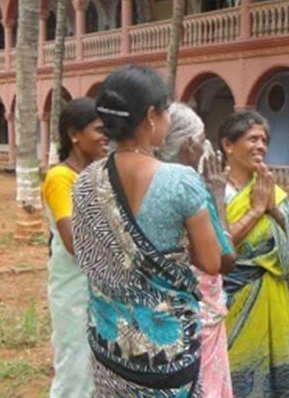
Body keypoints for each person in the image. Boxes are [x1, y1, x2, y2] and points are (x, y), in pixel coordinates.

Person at [71, 65, 222, 397]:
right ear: (151, 116)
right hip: (167, 353)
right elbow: (212, 261)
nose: (169, 118)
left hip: (111, 345)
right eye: (166, 110)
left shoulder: (84, 183)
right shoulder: (181, 182)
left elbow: (86, 256)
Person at [218, 111, 289, 398]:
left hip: (274, 300)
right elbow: (216, 247)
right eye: (252, 139)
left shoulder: (272, 191)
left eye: (264, 140)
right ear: (228, 145)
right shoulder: (215, 191)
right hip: (229, 303)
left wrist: (274, 210)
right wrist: (255, 210)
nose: (261, 146)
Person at [158, 102, 235, 398]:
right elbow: (225, 260)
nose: (206, 146)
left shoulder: (148, 182)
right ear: (191, 144)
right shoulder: (193, 190)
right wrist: (218, 195)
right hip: (198, 309)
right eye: (203, 139)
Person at [41, 98, 109, 398]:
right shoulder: (61, 178)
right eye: (100, 130)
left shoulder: (97, 176)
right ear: (73, 134)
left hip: (98, 290)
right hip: (75, 290)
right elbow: (74, 243)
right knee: (75, 371)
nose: (107, 137)